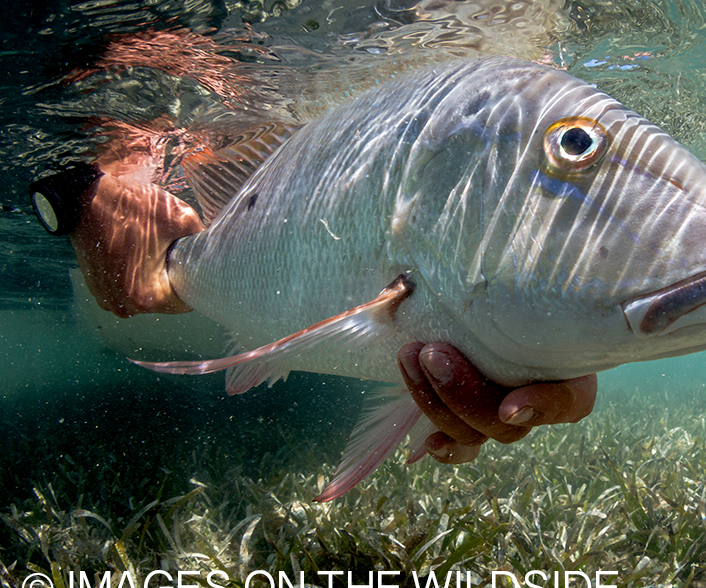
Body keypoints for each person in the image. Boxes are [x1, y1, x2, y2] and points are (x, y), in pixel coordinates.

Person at [36, 132, 596, 466]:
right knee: (112, 307)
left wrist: (569, 338)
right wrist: (80, 195)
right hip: (168, 278)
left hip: (250, 296)